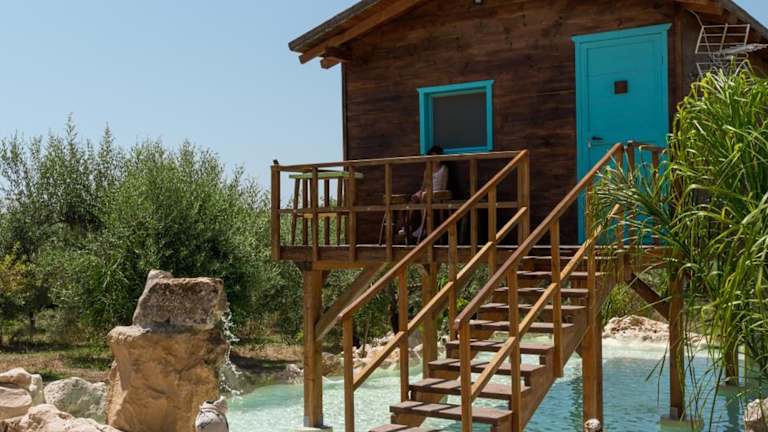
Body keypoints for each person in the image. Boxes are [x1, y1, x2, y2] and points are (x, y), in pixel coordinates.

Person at [398, 145, 449, 241]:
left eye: (436, 157)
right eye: (432, 157)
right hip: (427, 191)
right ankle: (406, 226)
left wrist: (440, 195)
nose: (434, 160)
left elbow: (444, 185)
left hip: (437, 192)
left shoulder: (444, 168)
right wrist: (419, 193)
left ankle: (424, 226)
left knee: (424, 195)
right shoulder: (428, 170)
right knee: (415, 197)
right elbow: (423, 185)